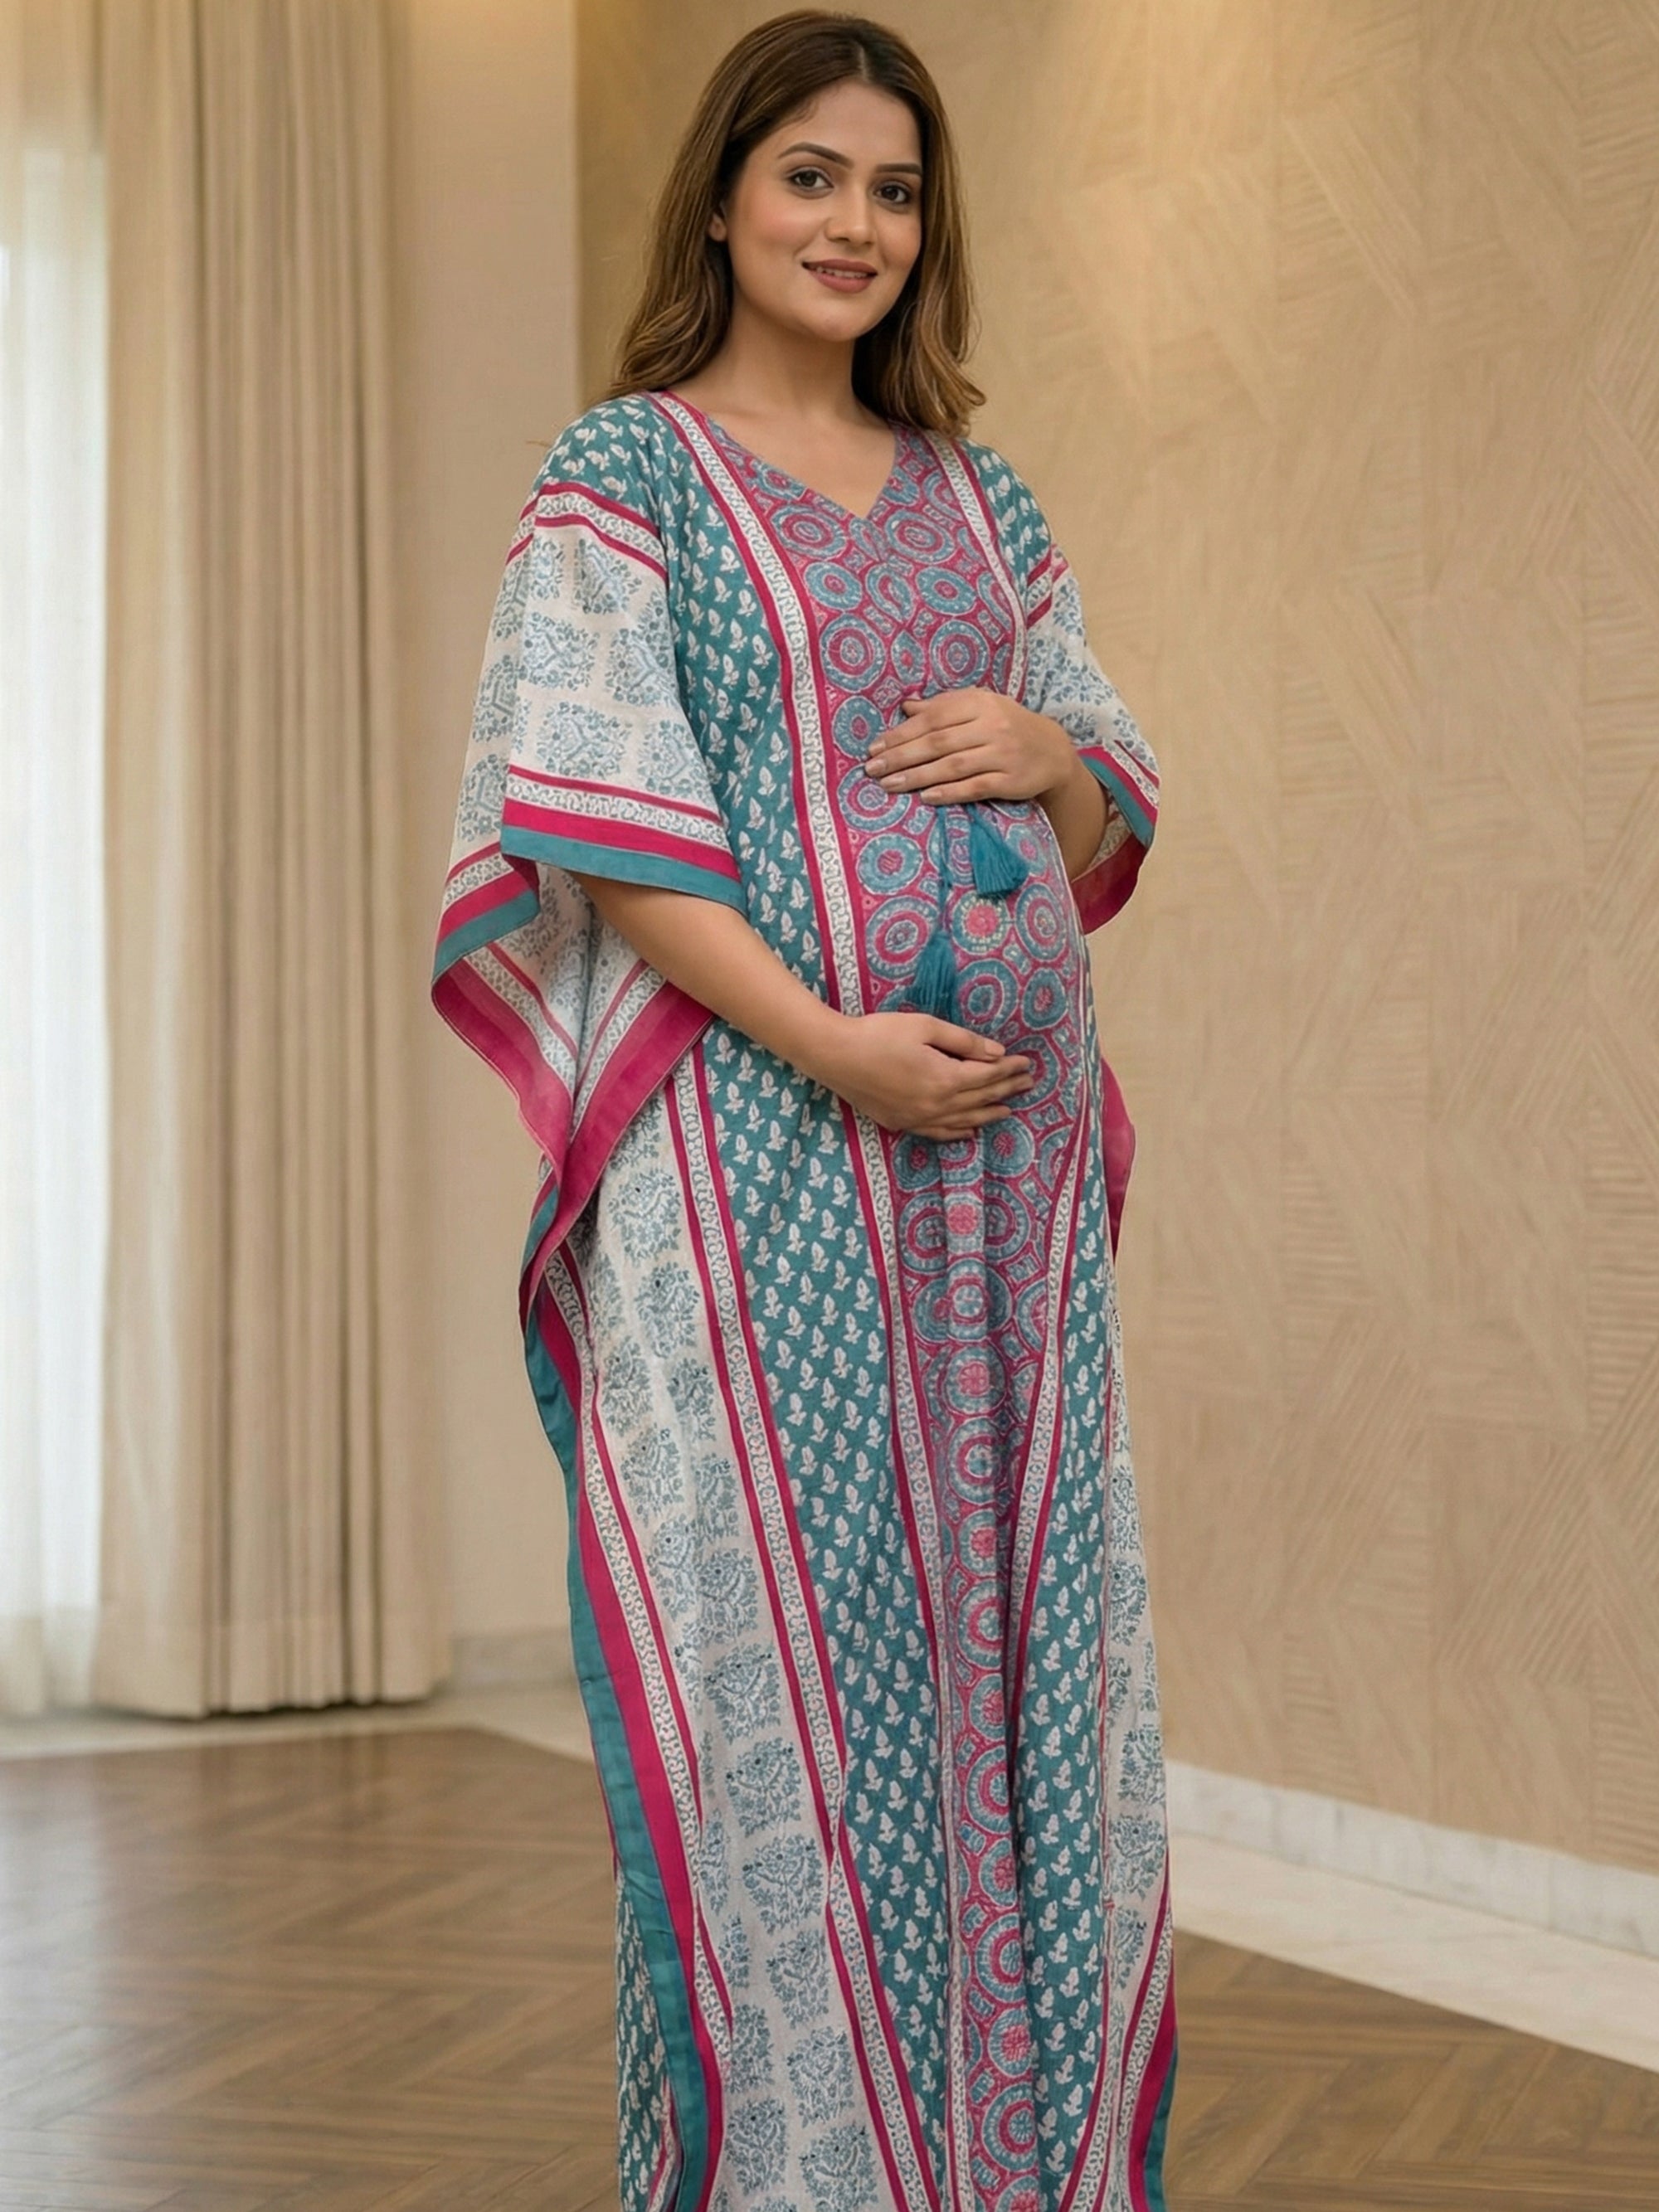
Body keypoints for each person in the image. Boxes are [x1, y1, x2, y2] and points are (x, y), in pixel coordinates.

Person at [431, 12, 1174, 2209]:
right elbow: (606, 831)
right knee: (799, 1650)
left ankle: (1010, 2165)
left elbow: (1106, 784)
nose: (857, 224)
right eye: (814, 176)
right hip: (762, 1162)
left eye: (898, 189)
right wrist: (833, 1042)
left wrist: (1051, 758)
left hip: (1007, 1190)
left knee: (1012, 1650)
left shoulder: (983, 496)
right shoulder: (629, 475)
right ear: (727, 200)